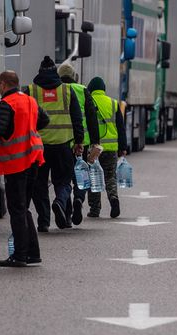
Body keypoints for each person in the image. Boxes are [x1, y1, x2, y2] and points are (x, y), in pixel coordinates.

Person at [0, 70, 49, 268]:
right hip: (34, 159)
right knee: (23, 208)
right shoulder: (29, 101)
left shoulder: (6, 104)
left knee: (17, 209)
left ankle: (20, 255)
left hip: (16, 162)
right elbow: (44, 120)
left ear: (3, 84)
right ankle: (32, 253)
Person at [27, 56, 85, 231]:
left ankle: (44, 221)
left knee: (39, 185)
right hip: (63, 145)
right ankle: (59, 202)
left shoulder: (31, 91)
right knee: (64, 182)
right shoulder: (67, 91)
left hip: (39, 148)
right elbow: (77, 118)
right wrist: (79, 141)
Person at [58, 63, 101, 226]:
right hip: (82, 142)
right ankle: (78, 198)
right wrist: (95, 142)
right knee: (81, 177)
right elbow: (91, 118)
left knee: (64, 179)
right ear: (74, 75)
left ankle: (67, 214)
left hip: (61, 141)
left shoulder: (58, 90)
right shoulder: (83, 90)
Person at [86, 77, 128, 219]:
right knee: (110, 176)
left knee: (94, 177)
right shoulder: (113, 103)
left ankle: (94, 209)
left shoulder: (88, 101)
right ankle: (113, 199)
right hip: (111, 148)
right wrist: (123, 147)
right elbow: (121, 128)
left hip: (94, 148)